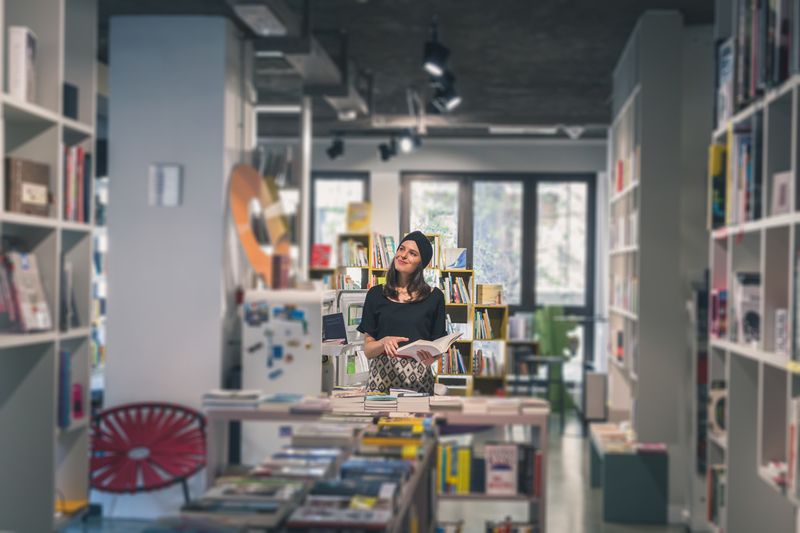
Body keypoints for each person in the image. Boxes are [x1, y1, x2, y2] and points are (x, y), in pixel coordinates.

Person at [356, 230, 447, 394]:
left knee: (417, 420)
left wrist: (431, 358)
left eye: (412, 253)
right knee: (377, 419)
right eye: (401, 249)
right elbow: (368, 351)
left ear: (421, 263)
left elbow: (438, 348)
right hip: (380, 380)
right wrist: (384, 341)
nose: (403, 255)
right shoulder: (376, 294)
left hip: (419, 380)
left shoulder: (435, 297)